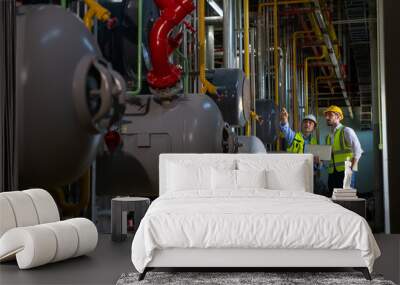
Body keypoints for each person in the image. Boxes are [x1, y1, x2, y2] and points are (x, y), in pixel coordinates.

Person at [324, 105, 363, 194]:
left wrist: (351, 170)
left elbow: (358, 151)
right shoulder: (328, 136)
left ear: (338, 116)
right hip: (332, 173)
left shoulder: (346, 131)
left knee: (346, 199)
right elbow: (330, 156)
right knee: (333, 200)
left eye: (330, 115)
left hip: (346, 171)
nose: (327, 117)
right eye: (326, 115)